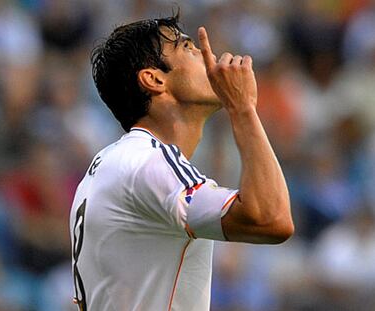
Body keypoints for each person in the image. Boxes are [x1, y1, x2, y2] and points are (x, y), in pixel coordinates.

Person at [69, 13, 294, 311]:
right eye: (188, 48)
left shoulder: (112, 163)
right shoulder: (148, 161)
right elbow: (270, 219)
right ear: (154, 79)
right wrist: (242, 108)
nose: (208, 55)